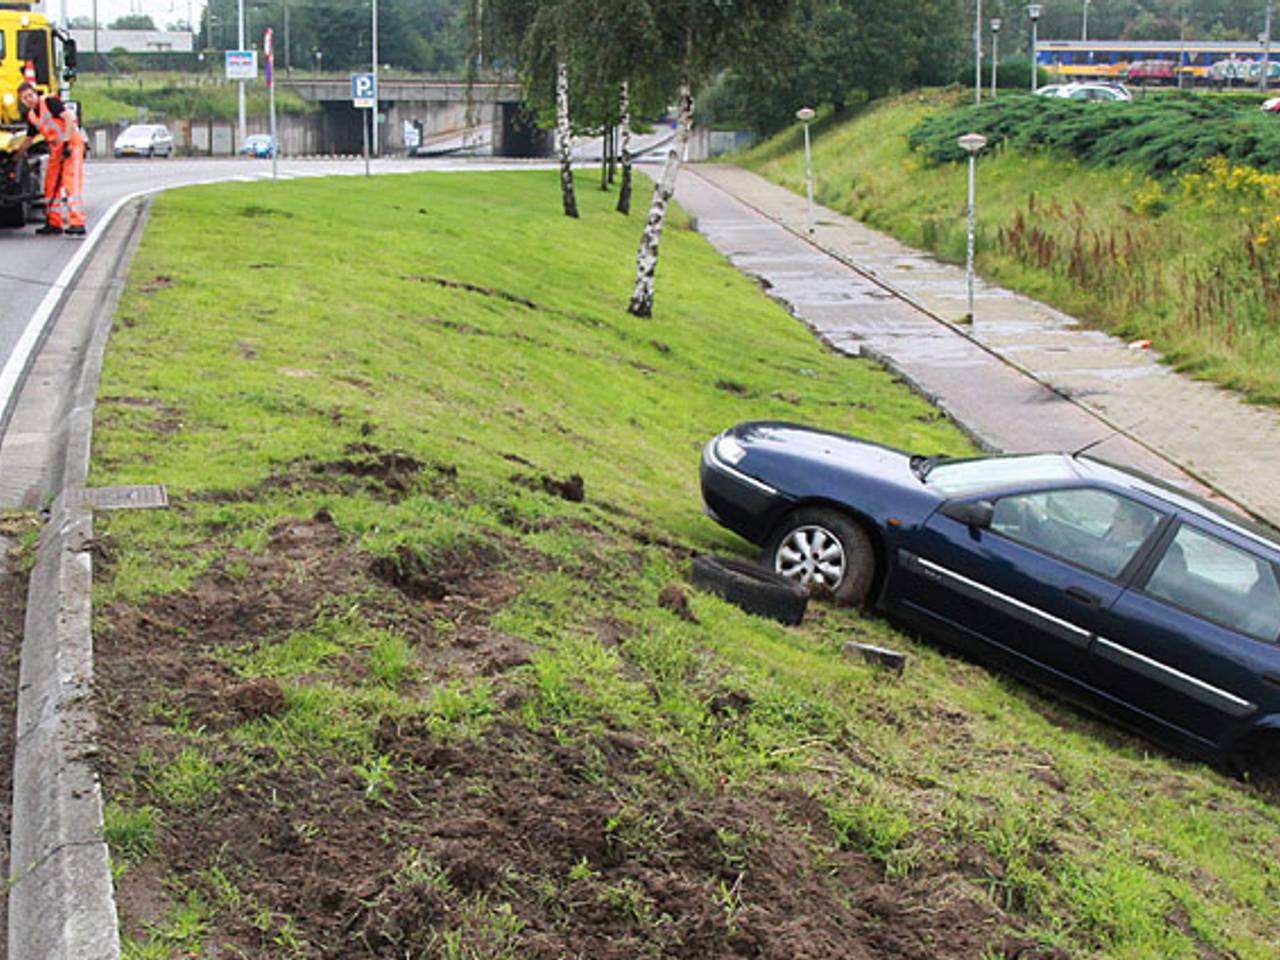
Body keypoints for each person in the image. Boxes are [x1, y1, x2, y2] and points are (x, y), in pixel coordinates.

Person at [9, 81, 86, 237]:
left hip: (71, 143)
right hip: (56, 148)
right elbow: (29, 139)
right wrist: (16, 156)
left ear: (35, 93)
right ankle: (54, 222)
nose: (28, 99)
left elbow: (70, 117)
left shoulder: (50, 102)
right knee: (50, 184)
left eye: (30, 95)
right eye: (24, 98)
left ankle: (77, 223)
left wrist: (66, 142)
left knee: (71, 182)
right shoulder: (32, 116)